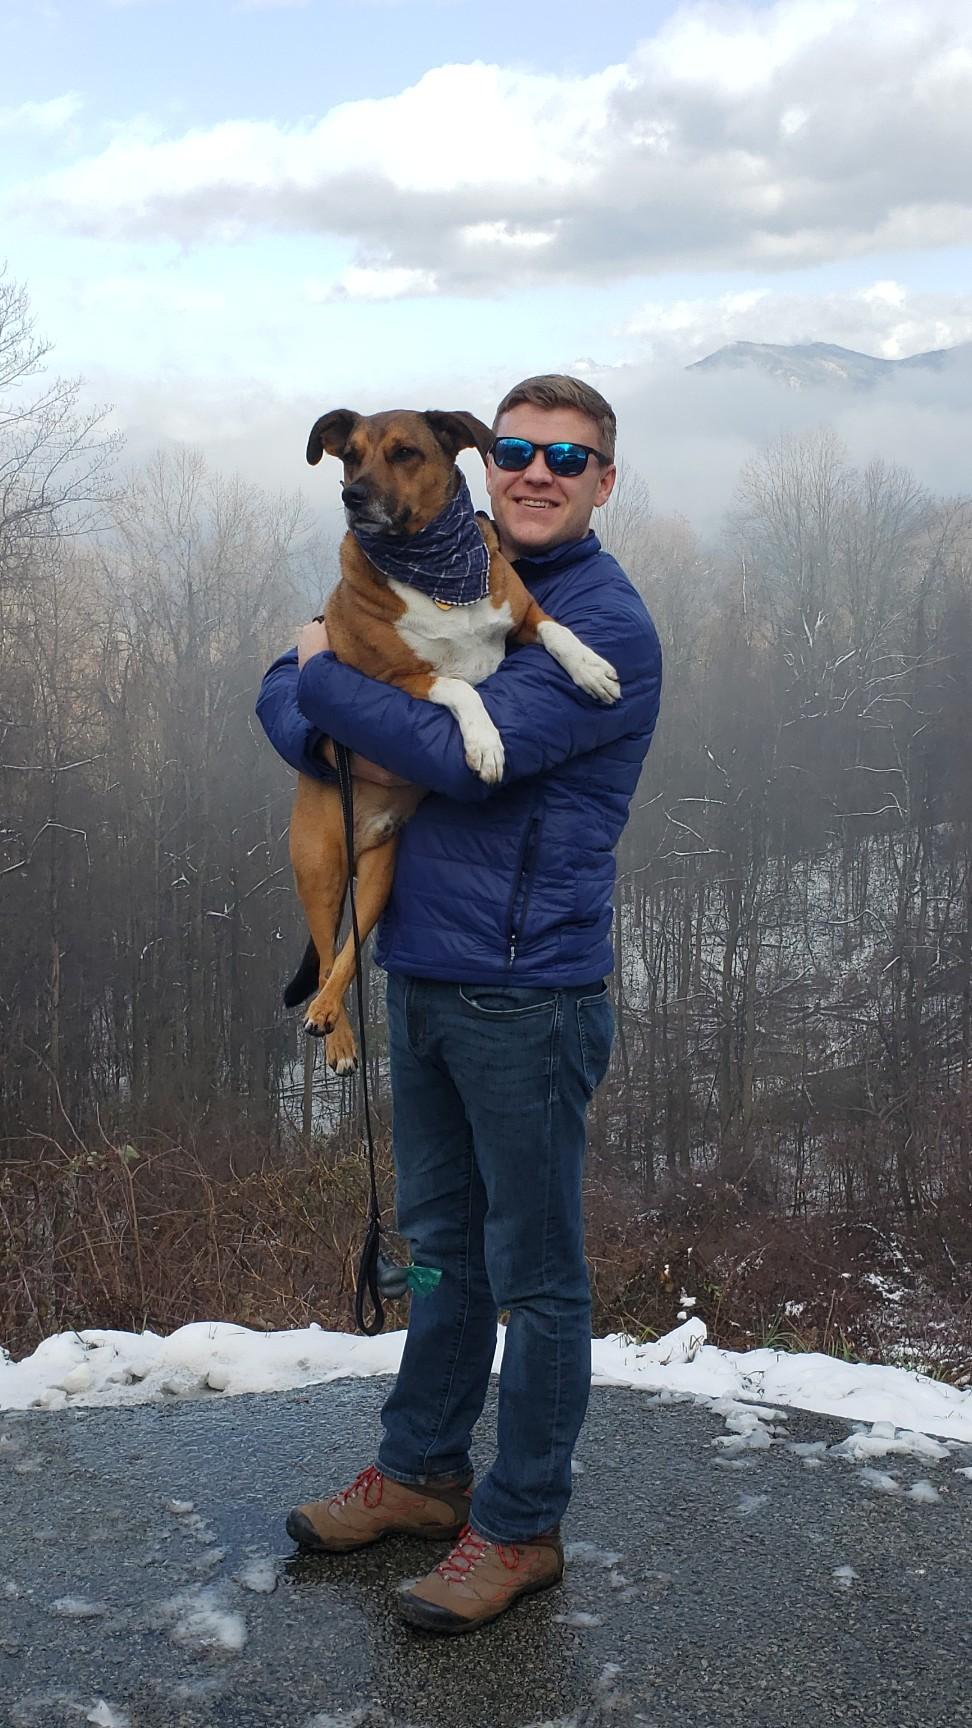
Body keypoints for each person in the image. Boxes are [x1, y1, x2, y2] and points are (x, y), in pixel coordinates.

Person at [256, 374, 662, 1634]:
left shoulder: (603, 624)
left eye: (568, 457)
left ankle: (521, 1525)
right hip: (420, 972)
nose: (538, 472)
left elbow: (443, 755)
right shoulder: (441, 566)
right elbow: (284, 702)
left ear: (603, 483)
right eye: (523, 450)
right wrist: (315, 681)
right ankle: (424, 1473)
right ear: (489, 469)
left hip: (526, 997)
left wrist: (323, 677)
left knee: (536, 1277)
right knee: (439, 1255)